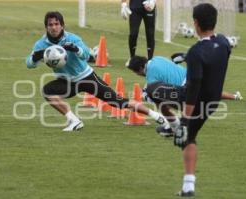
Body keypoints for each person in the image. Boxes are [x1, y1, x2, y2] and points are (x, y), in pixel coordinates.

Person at [131, 3, 232, 196]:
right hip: (212, 101)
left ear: (195, 23)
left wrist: (185, 120)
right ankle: (188, 185)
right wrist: (186, 57)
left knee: (153, 89)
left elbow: (193, 88)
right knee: (190, 138)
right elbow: (212, 56)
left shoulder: (196, 52)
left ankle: (176, 124)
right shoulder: (224, 42)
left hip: (194, 99)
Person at [26, 11, 165, 132]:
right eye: (50, 25)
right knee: (47, 91)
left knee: (117, 102)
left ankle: (156, 115)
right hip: (66, 81)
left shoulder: (73, 38)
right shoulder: (41, 44)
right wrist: (34, 57)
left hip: (86, 77)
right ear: (46, 27)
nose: (54, 27)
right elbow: (29, 64)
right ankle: (74, 121)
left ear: (62, 25)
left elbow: (88, 55)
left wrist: (76, 49)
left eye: (56, 24)